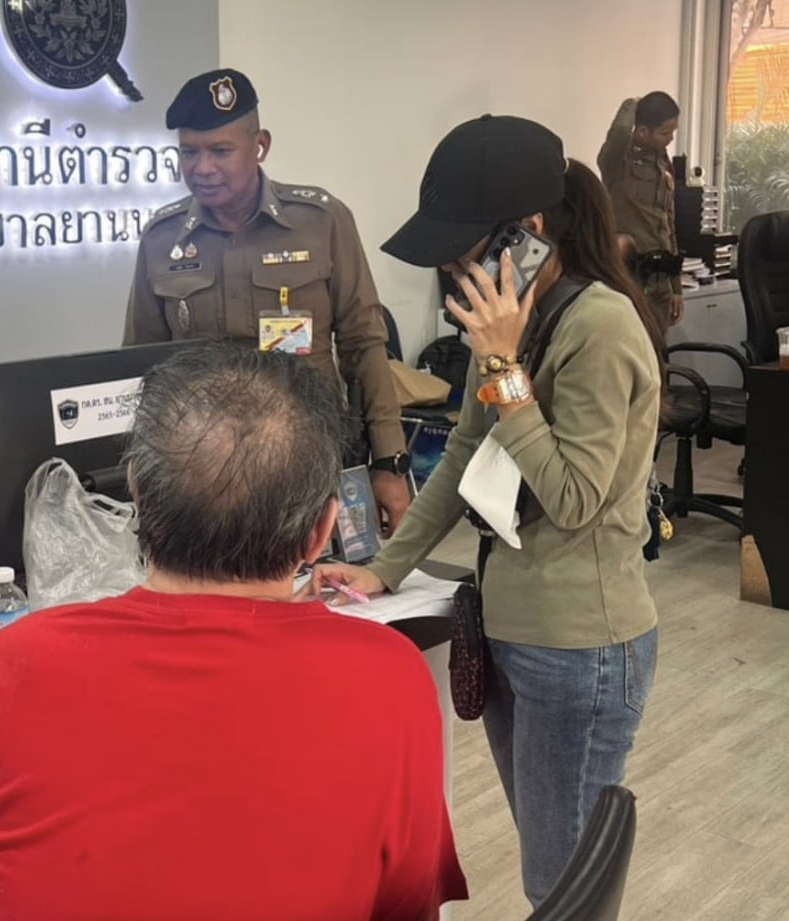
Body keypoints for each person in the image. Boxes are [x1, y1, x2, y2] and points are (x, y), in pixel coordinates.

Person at [0, 343, 467, 921]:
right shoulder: (388, 676)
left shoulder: (23, 657)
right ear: (322, 531)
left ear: (137, 497)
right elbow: (408, 908)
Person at [314, 115, 663, 908]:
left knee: (561, 886)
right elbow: (467, 458)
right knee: (551, 866)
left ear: (527, 234)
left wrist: (505, 368)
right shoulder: (504, 325)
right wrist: (383, 569)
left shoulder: (599, 327)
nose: (452, 276)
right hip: (514, 628)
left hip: (581, 644)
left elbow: (572, 498)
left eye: (463, 256)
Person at [124, 67, 411, 536]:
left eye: (220, 151)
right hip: (201, 474)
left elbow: (364, 345)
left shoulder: (321, 222)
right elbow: (141, 364)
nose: (202, 168)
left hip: (309, 463)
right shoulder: (163, 238)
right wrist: (139, 469)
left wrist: (389, 461)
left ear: (260, 146)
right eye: (189, 152)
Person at [598, 91, 682, 331]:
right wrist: (633, 103)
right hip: (629, 281)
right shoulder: (618, 162)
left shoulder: (663, 164)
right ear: (643, 131)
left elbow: (668, 226)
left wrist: (676, 288)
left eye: (673, 132)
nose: (670, 139)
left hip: (660, 282)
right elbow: (619, 132)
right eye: (665, 133)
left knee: (658, 352)